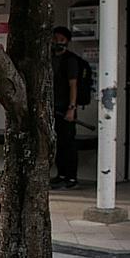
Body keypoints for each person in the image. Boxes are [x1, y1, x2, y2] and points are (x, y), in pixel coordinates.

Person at [51, 25, 80, 189]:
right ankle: (61, 174)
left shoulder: (70, 60)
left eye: (61, 40)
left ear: (67, 41)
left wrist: (72, 107)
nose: (57, 42)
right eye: (55, 39)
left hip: (66, 108)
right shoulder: (50, 58)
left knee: (68, 142)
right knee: (57, 143)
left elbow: (73, 85)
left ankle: (71, 177)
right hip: (53, 107)